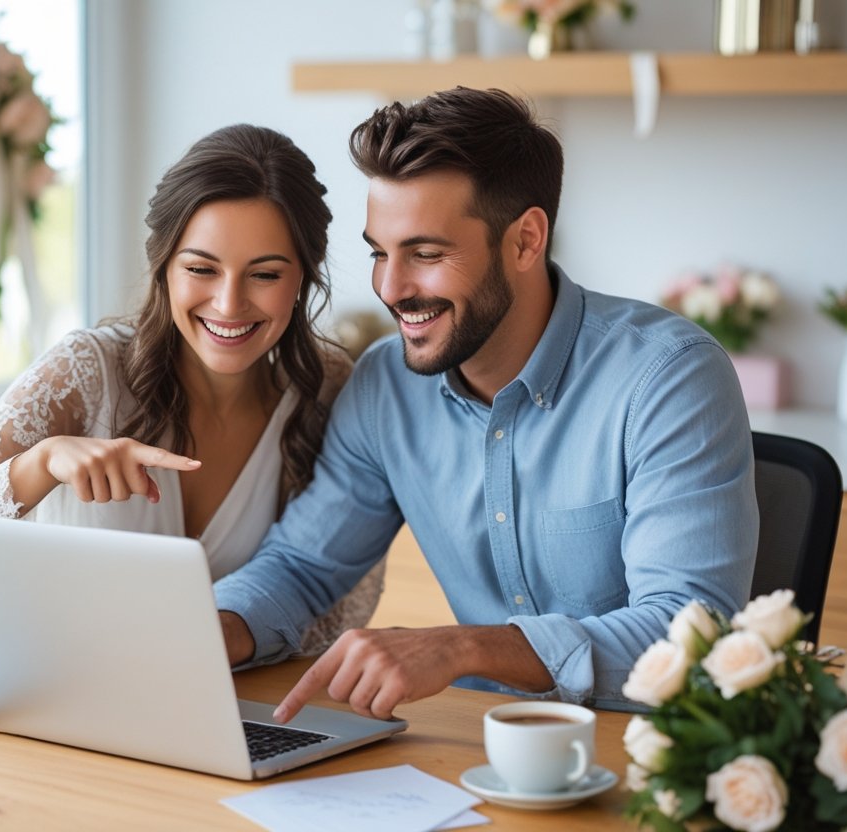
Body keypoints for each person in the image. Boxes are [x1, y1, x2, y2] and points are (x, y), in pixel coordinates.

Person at [214, 88, 759, 716]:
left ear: (526, 240)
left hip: (646, 757)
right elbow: (303, 565)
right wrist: (206, 633)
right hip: (477, 753)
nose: (391, 289)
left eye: (425, 253)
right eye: (379, 253)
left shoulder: (667, 380)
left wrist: (463, 648)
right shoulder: (384, 386)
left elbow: (688, 634)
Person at [0, 124, 384, 651]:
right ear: (163, 266)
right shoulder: (85, 372)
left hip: (240, 710)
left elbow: (335, 605)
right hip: (59, 704)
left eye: (264, 275)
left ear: (304, 275)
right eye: (201, 269)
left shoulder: (325, 387)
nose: (230, 304)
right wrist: (40, 463)